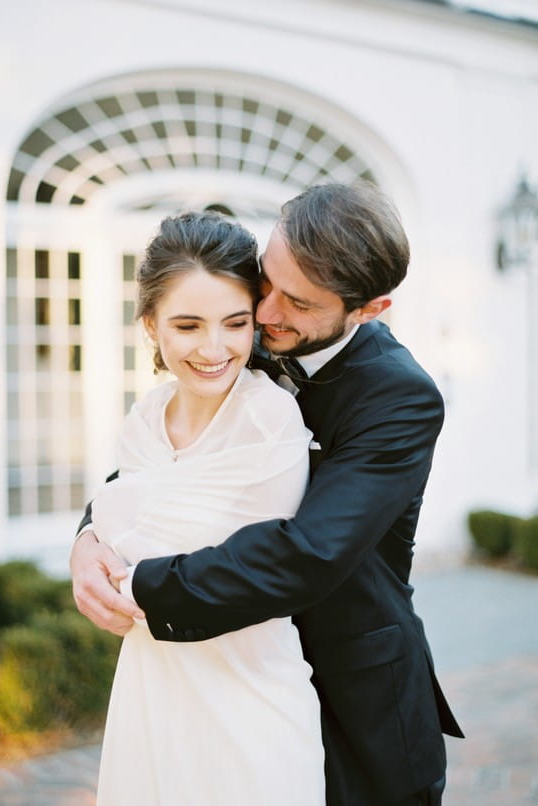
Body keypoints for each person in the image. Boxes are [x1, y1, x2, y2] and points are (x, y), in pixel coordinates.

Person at [72, 182, 464, 806]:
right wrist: (91, 535)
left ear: (370, 308)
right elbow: (170, 463)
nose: (266, 313)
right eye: (268, 280)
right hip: (226, 675)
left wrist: (138, 587)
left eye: (301, 302)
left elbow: (308, 552)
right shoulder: (235, 336)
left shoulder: (400, 399)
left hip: (351, 693)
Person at [89, 211, 326, 805]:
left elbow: (263, 572)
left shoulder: (268, 419)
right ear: (150, 325)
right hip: (151, 689)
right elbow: (117, 517)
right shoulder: (143, 420)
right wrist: (87, 540)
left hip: (249, 697)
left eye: (235, 323)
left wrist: (112, 557)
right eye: (188, 325)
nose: (214, 348)